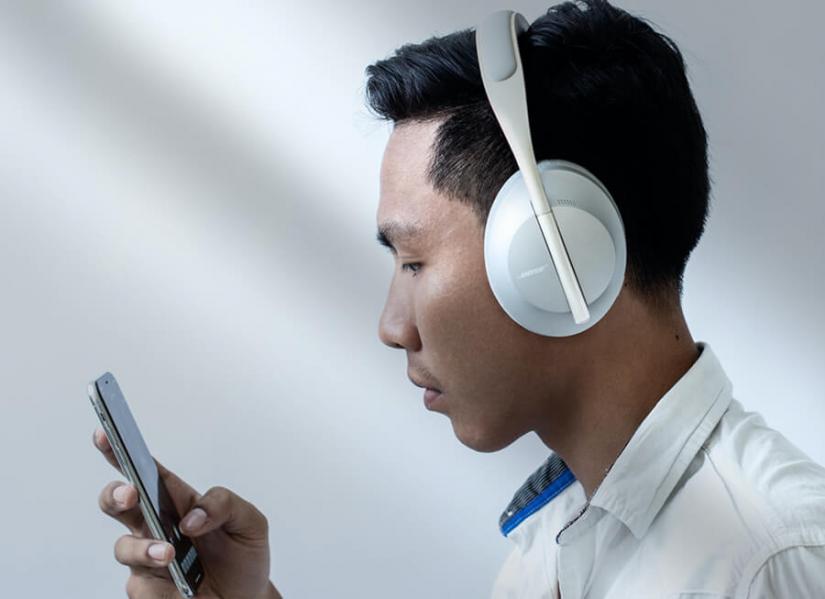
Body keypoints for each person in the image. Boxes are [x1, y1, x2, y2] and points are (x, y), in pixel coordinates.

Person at [92, 1, 825, 597]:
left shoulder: (771, 559)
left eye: (412, 260)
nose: (390, 327)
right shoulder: (558, 536)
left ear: (559, 253)